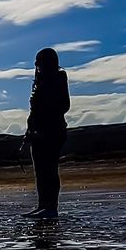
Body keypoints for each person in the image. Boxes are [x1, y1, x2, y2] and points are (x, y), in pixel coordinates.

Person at [23, 48, 71, 219]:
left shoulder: (59, 78)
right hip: (37, 132)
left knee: (49, 169)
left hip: (53, 131)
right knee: (40, 171)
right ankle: (43, 205)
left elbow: (64, 105)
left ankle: (51, 207)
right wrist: (30, 128)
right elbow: (34, 109)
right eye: (36, 62)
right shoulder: (38, 82)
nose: (37, 66)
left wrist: (44, 119)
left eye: (40, 62)